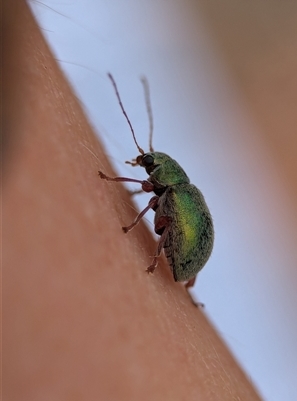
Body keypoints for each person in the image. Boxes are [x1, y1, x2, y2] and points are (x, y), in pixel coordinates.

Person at [3, 1, 262, 399]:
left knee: (164, 223)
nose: (144, 163)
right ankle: (188, 286)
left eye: (148, 163)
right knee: (167, 225)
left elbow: (152, 209)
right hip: (195, 254)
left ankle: (171, 268)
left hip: (187, 249)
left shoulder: (173, 195)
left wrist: (122, 201)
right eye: (147, 161)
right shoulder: (176, 188)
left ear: (161, 173)